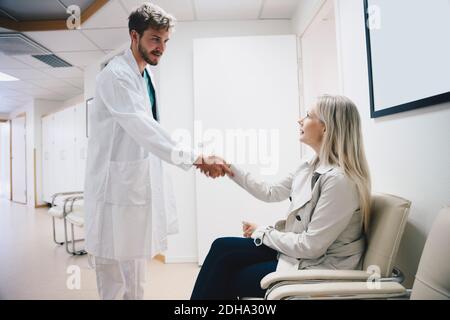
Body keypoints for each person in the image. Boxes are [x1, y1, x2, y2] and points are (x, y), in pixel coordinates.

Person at [84, 3, 232, 300]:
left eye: (165, 41)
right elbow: (141, 126)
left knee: (136, 276)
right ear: (134, 35)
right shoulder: (116, 75)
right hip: (111, 190)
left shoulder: (144, 76)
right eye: (155, 39)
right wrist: (196, 157)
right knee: (113, 280)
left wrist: (194, 156)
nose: (161, 47)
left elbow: (148, 130)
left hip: (133, 187)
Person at [191, 95, 372, 300]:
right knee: (222, 247)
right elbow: (271, 191)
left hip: (318, 266)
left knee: (230, 278)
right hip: (297, 254)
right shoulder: (309, 163)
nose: (300, 120)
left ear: (325, 128)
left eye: (308, 115)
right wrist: (229, 168)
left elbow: (311, 247)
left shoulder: (340, 181)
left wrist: (262, 232)